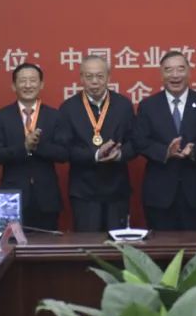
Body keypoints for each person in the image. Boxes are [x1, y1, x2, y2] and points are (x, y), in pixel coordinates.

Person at [134, 51, 196, 231]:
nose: (175, 75)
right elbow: (140, 141)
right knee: (162, 246)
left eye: (180, 69)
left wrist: (195, 149)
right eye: (169, 70)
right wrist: (165, 152)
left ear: (189, 72)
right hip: (159, 194)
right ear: (161, 74)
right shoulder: (148, 106)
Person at [55, 55, 136, 232]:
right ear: (81, 78)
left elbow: (135, 142)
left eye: (100, 76)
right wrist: (96, 155)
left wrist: (120, 154)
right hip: (84, 192)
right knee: (88, 244)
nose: (94, 82)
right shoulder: (68, 108)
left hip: (117, 189)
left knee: (118, 244)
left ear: (108, 77)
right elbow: (65, 149)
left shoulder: (123, 105)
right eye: (89, 76)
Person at [0, 63, 65, 231]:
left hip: (47, 198)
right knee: (13, 244)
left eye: (33, 80)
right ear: (13, 86)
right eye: (23, 81)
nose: (28, 85)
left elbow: (63, 153)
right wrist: (24, 147)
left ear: (41, 84)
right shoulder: (1, 116)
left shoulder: (54, 115)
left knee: (48, 245)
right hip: (12, 198)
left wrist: (36, 146)